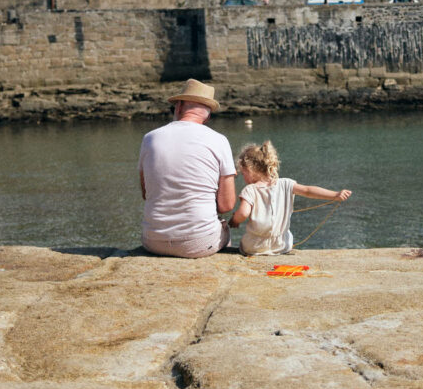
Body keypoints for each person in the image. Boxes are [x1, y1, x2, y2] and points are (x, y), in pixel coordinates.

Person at [138, 79, 237, 258]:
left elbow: (147, 193)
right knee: (223, 229)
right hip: (198, 243)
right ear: (207, 115)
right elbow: (226, 205)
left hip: (152, 241)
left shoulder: (149, 138)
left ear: (179, 107)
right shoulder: (219, 140)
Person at [229, 140, 351, 255]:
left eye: (243, 173)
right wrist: (335, 195)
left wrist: (235, 220)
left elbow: (243, 213)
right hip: (282, 245)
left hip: (254, 246)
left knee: (244, 244)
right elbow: (308, 190)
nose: (244, 178)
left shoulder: (250, 190)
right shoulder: (286, 184)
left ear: (250, 170)